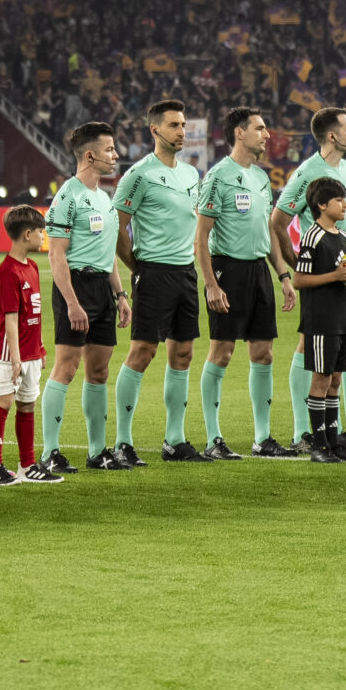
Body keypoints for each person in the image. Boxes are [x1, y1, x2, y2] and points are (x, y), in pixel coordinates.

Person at [196, 106, 292, 459]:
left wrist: (282, 275)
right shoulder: (218, 177)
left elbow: (267, 231)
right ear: (239, 132)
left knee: (263, 352)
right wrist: (211, 284)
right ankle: (213, 439)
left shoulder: (263, 178)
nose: (267, 135)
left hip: (258, 271)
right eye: (260, 129)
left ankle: (263, 438)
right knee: (222, 351)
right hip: (227, 270)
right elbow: (201, 237)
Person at [112, 98, 204, 464]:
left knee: (183, 353)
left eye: (183, 125)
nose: (182, 131)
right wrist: (137, 265)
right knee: (142, 352)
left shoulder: (190, 174)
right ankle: (123, 441)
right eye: (174, 126)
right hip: (153, 271)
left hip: (185, 272)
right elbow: (118, 226)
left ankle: (174, 440)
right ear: (155, 130)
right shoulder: (139, 174)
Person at [271, 108, 346, 443]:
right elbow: (278, 221)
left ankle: (328, 432)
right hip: (323, 274)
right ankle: (302, 431)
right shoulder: (308, 171)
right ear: (332, 135)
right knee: (310, 345)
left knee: (334, 357)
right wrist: (296, 263)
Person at [44, 120, 125, 471]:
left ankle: (97, 452)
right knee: (67, 367)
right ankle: (50, 452)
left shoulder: (104, 199)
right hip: (74, 288)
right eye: (109, 149)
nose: (116, 155)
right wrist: (73, 302)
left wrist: (121, 296)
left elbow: (108, 255)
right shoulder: (68, 196)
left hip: (103, 290)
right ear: (90, 155)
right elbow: (56, 254)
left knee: (100, 370)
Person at [0, 206, 59, 485]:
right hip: (12, 351)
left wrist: (39, 349)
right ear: (26, 233)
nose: (44, 235)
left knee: (27, 405)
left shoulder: (31, 267)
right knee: (4, 403)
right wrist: (16, 359)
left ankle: (27, 466)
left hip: (30, 350)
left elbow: (35, 314)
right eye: (41, 231)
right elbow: (11, 318)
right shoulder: (7, 271)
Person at [293, 178, 346, 463]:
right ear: (322, 205)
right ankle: (319, 446)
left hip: (343, 316)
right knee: (321, 378)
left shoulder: (343, 238)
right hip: (320, 319)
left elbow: (343, 277)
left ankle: (334, 444)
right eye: (339, 200)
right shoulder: (312, 237)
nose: (345, 204)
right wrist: (334, 276)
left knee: (335, 379)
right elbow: (299, 279)